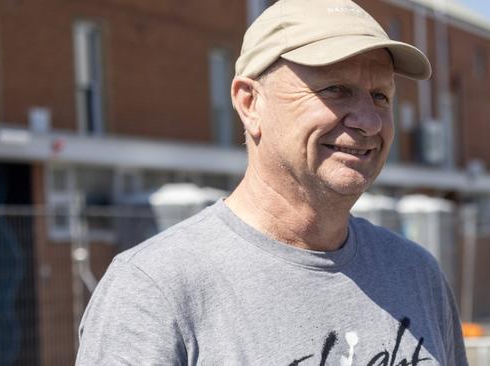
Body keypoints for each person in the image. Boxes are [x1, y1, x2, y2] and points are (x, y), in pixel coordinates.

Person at [76, 0, 468, 365]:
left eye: (381, 96)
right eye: (335, 89)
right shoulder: (154, 289)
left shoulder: (416, 273)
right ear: (250, 103)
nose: (368, 120)